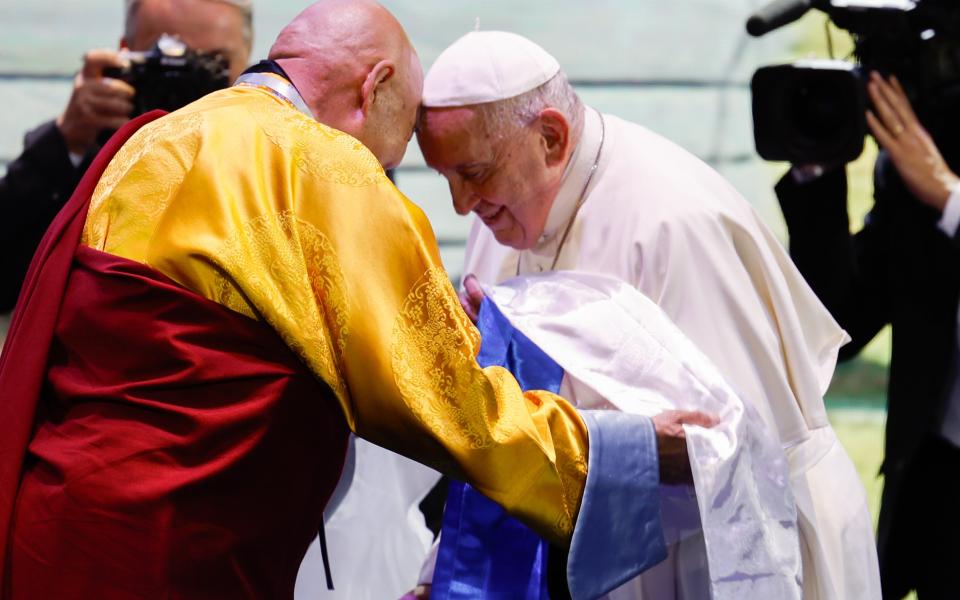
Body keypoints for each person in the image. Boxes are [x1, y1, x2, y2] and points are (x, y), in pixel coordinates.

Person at [0, 2, 712, 598]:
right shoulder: (323, 165)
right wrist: (631, 451)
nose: (382, 174)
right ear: (373, 89)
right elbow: (456, 408)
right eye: (393, 155)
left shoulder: (153, 140)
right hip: (169, 551)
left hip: (56, 526)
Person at [416, 30, 881, 599]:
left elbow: (729, 453)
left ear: (551, 138)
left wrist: (592, 444)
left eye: (474, 173)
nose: (461, 204)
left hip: (732, 552)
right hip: (627, 555)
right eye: (446, 178)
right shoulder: (503, 217)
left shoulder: (672, 223)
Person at [776, 72, 960, 599]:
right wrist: (818, 159)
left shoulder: (935, 175)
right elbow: (840, 325)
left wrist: (951, 200)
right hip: (939, 486)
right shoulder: (924, 155)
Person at [0, 0, 252, 313]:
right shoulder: (82, 151)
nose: (185, 83)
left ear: (248, 58)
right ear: (125, 54)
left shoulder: (270, 166)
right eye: (163, 62)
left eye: (211, 63)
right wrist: (68, 140)